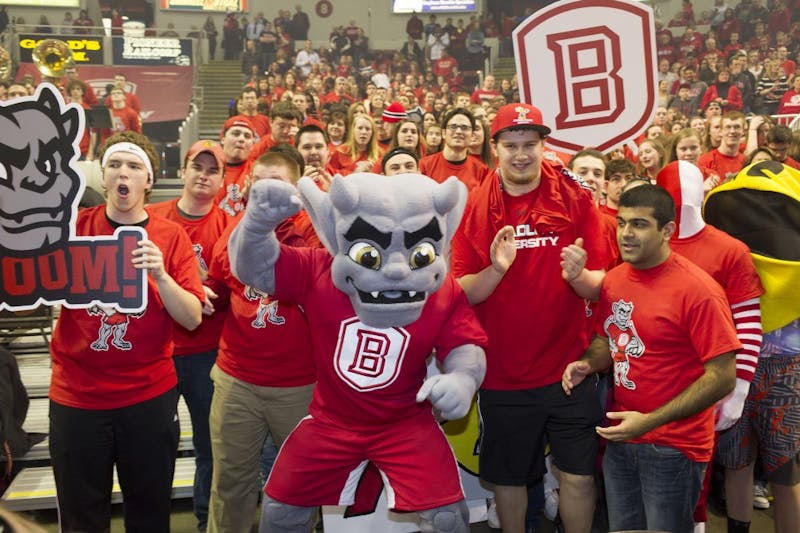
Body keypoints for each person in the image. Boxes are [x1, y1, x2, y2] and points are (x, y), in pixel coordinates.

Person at [452, 103, 612, 533]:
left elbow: (602, 285)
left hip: (570, 370)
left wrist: (578, 277)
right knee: (509, 480)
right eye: (511, 146)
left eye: (530, 145)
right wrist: (498, 268)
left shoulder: (575, 198)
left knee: (578, 475)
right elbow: (461, 292)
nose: (520, 154)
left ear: (544, 146)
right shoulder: (475, 206)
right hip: (504, 375)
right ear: (495, 149)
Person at [49, 131, 205, 533]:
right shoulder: (72, 228)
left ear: (149, 181)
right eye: (115, 164)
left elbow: (191, 318)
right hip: (76, 395)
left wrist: (160, 275)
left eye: (134, 166)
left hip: (147, 394)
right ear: (103, 177)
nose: (124, 173)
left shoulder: (171, 236)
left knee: (150, 511)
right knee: (82, 514)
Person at [562, 183, 739, 532]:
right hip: (622, 438)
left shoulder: (699, 291)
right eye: (623, 222)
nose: (626, 234)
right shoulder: (614, 279)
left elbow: (723, 376)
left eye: (640, 224)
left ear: (667, 230)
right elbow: (605, 340)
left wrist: (651, 421)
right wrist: (588, 363)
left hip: (674, 447)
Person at [205, 151, 317, 533]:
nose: (267, 196)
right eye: (260, 185)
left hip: (299, 386)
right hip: (237, 380)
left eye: (278, 185)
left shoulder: (314, 233)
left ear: (297, 191)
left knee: (299, 488)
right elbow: (221, 285)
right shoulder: (234, 230)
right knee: (230, 484)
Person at [146, 140, 230, 532]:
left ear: (223, 181)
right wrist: (193, 284)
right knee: (150, 450)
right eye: (198, 166)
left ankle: (203, 522)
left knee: (210, 448)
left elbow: (230, 286)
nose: (204, 175)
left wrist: (206, 291)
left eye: (213, 170)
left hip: (207, 353)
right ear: (183, 171)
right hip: (155, 350)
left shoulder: (228, 229)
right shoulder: (149, 217)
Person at [418, 107, 488, 190]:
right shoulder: (424, 165)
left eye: (464, 128)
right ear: (443, 133)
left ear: (472, 135)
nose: (458, 131)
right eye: (453, 127)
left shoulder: (482, 170)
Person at [697, 111, 746, 187]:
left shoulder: (745, 161)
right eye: (728, 127)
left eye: (737, 127)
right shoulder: (705, 160)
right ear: (720, 131)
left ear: (743, 131)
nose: (732, 131)